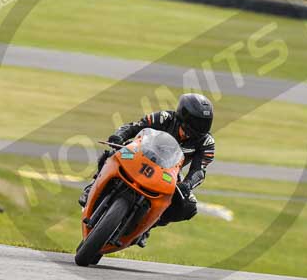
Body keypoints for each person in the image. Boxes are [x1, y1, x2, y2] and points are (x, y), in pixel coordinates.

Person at [79, 93, 215, 246]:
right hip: (139, 155)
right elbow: (134, 127)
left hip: (169, 171)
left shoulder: (206, 142)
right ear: (183, 114)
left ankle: (148, 225)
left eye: (204, 123)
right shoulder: (163, 118)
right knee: (111, 154)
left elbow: (199, 170)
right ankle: (93, 185)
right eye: (196, 122)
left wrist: (187, 185)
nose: (199, 128)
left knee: (188, 206)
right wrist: (118, 136)